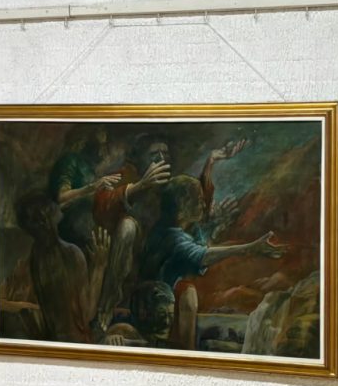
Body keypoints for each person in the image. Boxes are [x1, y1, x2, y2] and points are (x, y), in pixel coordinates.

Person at [91, 134, 244, 332]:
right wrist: (141, 185)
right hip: (129, 258)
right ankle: (106, 307)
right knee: (127, 227)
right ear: (141, 159)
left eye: (165, 153)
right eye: (154, 154)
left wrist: (211, 161)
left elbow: (190, 202)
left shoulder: (169, 182)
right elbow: (101, 205)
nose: (162, 159)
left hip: (157, 259)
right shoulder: (129, 175)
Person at [140, 175, 284, 350]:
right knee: (187, 291)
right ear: (183, 205)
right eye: (198, 200)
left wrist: (216, 223)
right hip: (157, 312)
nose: (203, 205)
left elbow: (201, 245)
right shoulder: (170, 237)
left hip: (173, 306)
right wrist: (251, 248)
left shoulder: (187, 228)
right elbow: (202, 255)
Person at [16, 190, 110, 344]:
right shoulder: (71, 254)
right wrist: (100, 266)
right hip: (78, 342)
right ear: (46, 218)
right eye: (50, 205)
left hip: (53, 340)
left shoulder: (36, 254)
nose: (56, 205)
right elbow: (87, 314)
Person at [47, 126, 122, 249]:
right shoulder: (70, 160)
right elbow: (62, 197)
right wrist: (93, 187)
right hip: (70, 228)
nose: (102, 152)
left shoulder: (89, 167)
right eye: (99, 146)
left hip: (86, 226)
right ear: (86, 143)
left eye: (105, 146)